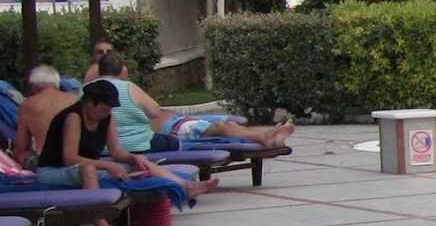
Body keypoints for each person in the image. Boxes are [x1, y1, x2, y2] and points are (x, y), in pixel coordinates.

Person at [35, 79, 196, 226]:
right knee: (88, 169)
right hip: (54, 171)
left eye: (110, 109)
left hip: (84, 169)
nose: (107, 113)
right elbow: (70, 158)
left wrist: (133, 158)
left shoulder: (107, 117)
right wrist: (107, 165)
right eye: (104, 109)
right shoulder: (73, 117)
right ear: (89, 103)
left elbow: (116, 151)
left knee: (140, 162)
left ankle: (184, 186)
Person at [94, 53, 294, 151]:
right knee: (220, 128)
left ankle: (264, 135)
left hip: (164, 126)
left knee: (227, 125)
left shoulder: (89, 91)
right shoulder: (126, 87)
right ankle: (264, 138)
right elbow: (154, 111)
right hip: (167, 129)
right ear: (121, 71)